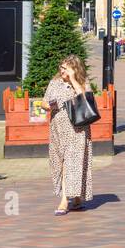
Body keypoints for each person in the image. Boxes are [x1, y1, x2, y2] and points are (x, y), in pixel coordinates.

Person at [45, 55, 93, 215]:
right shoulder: (55, 82)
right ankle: (77, 199)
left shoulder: (82, 82)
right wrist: (47, 105)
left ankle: (65, 201)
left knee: (71, 163)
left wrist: (73, 79)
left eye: (65, 68)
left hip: (77, 129)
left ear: (74, 69)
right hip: (58, 128)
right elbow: (45, 101)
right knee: (60, 161)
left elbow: (85, 99)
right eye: (61, 67)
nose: (61, 70)